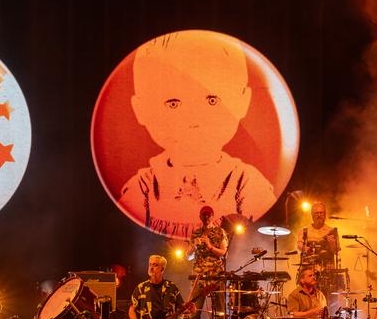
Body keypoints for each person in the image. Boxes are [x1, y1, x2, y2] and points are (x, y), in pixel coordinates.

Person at [116, 31, 277, 237]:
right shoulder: (145, 186)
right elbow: (130, 231)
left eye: (212, 100)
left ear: (242, 101)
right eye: (173, 104)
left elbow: (261, 228)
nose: (193, 119)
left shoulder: (244, 182)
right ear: (141, 109)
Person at [186, 205, 228, 319]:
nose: (206, 217)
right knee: (194, 310)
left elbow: (223, 252)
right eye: (204, 215)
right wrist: (194, 247)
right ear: (200, 216)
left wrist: (210, 246)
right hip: (199, 275)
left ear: (212, 216)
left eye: (208, 215)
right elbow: (188, 256)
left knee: (219, 310)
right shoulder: (196, 233)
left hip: (215, 275)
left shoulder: (220, 231)